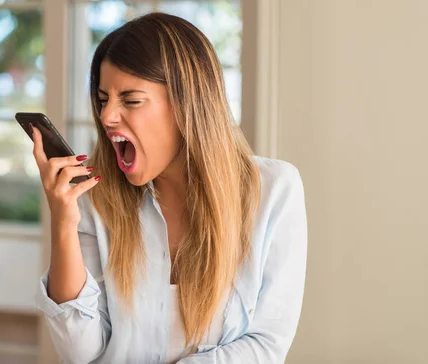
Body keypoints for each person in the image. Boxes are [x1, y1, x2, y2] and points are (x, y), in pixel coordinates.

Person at [32, 12, 307, 364]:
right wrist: (63, 223)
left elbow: (267, 345)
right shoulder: (94, 196)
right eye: (103, 99)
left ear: (186, 103)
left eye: (130, 100)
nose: (106, 117)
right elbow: (80, 352)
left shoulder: (274, 191)